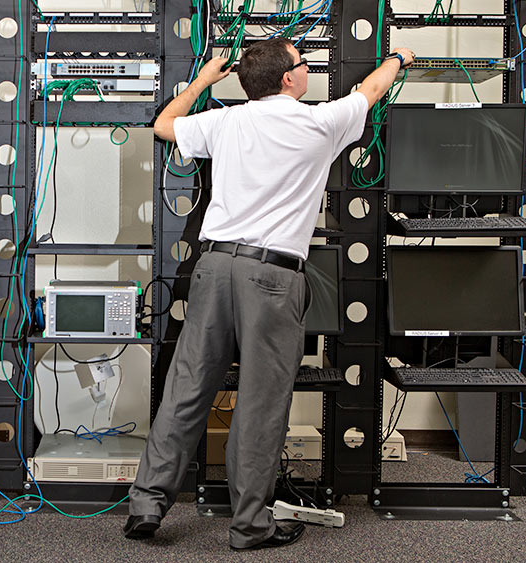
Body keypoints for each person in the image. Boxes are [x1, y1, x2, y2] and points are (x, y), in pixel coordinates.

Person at [123, 39, 415, 550]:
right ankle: (249, 526)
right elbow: (369, 90)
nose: (306, 69)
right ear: (289, 80)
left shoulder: (225, 121)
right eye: (303, 63)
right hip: (273, 277)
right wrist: (399, 59)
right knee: (260, 402)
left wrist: (204, 80)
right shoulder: (320, 123)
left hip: (213, 268)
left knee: (187, 387)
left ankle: (147, 505)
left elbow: (165, 124)